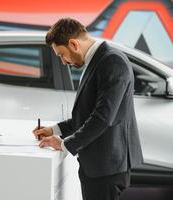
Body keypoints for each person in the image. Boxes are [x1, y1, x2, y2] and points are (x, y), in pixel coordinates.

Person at [33, 18, 143, 200]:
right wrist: (54, 130)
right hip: (99, 165)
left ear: (74, 44)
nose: (63, 61)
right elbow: (88, 113)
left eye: (61, 55)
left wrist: (64, 144)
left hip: (107, 167)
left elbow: (102, 117)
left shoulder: (112, 61)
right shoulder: (97, 60)